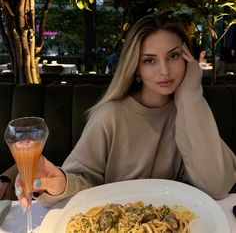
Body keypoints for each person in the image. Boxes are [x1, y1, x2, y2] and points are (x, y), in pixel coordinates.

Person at [16, 14, 236, 208]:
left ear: (188, 57)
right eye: (149, 60)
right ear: (136, 67)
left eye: (174, 56)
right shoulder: (110, 116)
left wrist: (190, 95)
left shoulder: (191, 110)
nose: (165, 70)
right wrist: (62, 184)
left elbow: (217, 185)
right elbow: (84, 181)